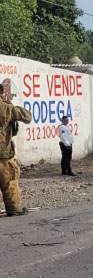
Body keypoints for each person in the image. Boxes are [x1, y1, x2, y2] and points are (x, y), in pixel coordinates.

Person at [0, 84, 33, 216]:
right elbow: (27, 116)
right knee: (9, 182)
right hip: (4, 155)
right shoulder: (6, 108)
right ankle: (14, 209)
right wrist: (8, 102)